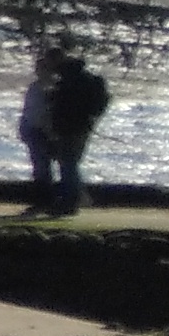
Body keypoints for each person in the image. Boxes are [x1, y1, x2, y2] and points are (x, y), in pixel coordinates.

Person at [42, 43, 113, 216]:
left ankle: (70, 202)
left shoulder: (70, 79)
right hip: (79, 126)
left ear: (56, 60)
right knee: (69, 163)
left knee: (68, 163)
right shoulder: (77, 76)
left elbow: (66, 103)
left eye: (49, 62)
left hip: (72, 127)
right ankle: (73, 199)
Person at [17, 39, 67, 213]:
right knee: (40, 168)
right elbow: (28, 110)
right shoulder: (35, 87)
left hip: (44, 132)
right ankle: (44, 200)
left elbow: (45, 112)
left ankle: (46, 200)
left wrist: (50, 132)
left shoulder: (51, 88)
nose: (38, 71)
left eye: (41, 68)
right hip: (34, 130)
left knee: (43, 168)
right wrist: (23, 126)